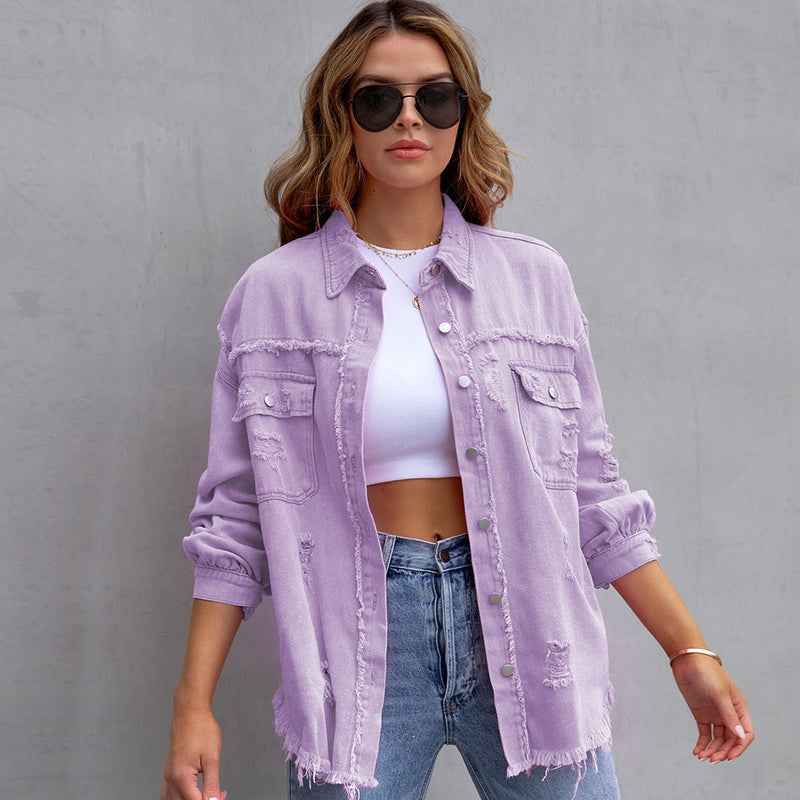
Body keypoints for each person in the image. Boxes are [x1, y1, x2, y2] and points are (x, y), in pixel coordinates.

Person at [160, 2, 754, 799]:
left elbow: (595, 494)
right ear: (341, 116)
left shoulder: (534, 279)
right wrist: (192, 707)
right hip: (357, 647)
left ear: (463, 114)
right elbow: (233, 521)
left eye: (434, 97)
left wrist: (689, 652)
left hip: (532, 634)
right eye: (378, 99)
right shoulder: (275, 294)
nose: (409, 118)